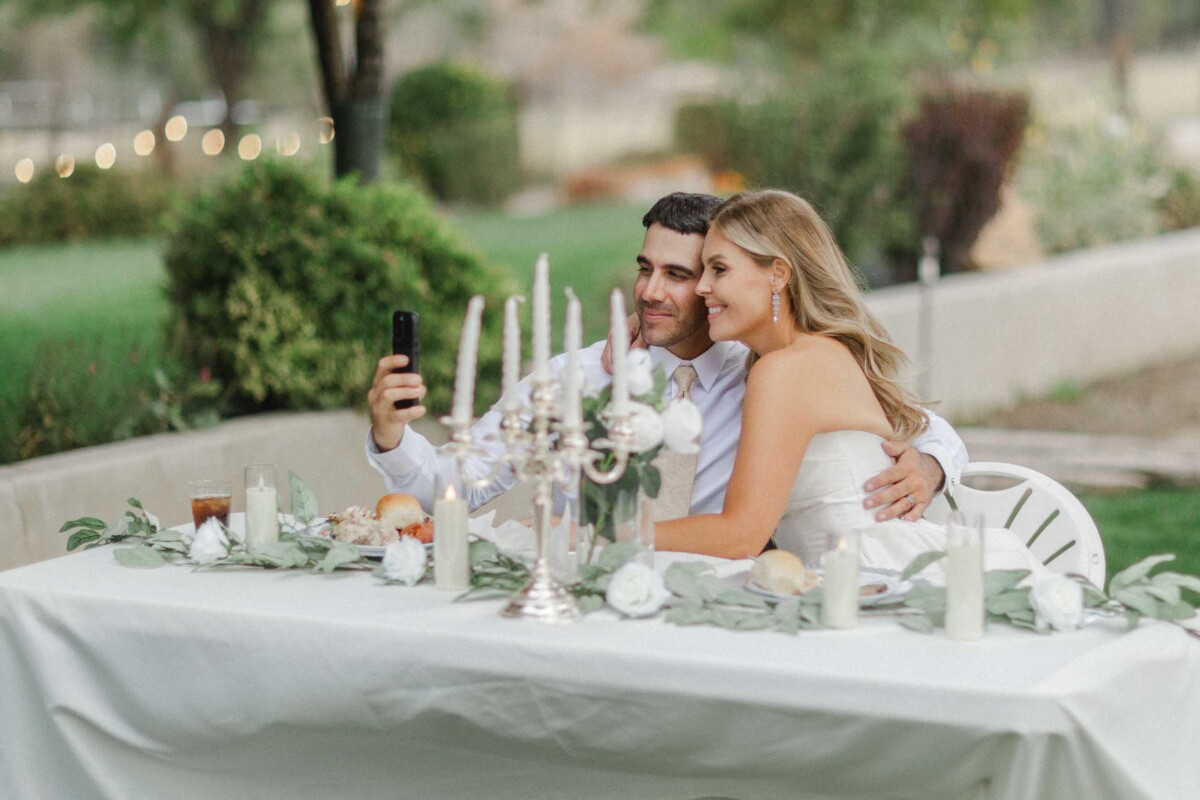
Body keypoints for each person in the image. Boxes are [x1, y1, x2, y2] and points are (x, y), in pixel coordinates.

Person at [365, 192, 966, 529]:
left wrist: (932, 464)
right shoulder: (576, 376)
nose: (652, 292)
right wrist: (394, 438)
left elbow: (913, 424)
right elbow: (454, 487)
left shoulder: (759, 369)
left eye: (683, 274)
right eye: (645, 268)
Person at [652, 190, 1045, 575]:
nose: (702, 286)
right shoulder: (818, 354)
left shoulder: (786, 371)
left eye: (718, 269)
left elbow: (739, 536)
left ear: (777, 275)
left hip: (888, 578)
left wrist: (613, 537)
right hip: (854, 578)